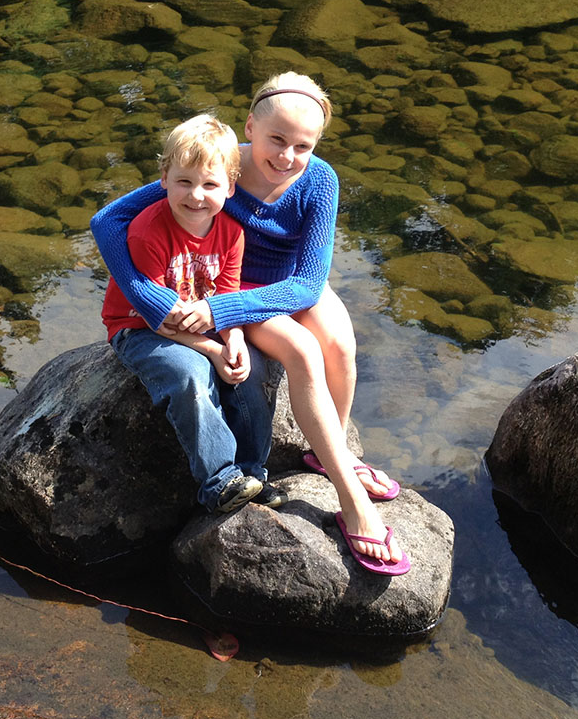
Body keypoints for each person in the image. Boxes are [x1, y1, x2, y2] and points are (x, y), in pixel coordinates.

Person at [91, 73, 409, 576]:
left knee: (341, 346)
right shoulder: (215, 166)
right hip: (232, 285)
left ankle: (332, 454)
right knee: (302, 352)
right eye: (276, 140)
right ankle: (353, 501)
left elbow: (307, 284)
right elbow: (107, 221)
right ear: (250, 129)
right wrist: (151, 297)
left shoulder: (320, 180)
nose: (286, 156)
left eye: (302, 146)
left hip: (281, 286)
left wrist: (220, 316)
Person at [100, 113, 284, 515]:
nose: (196, 196)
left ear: (230, 188)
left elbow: (227, 293)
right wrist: (213, 352)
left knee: (250, 371)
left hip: (206, 321)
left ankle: (254, 472)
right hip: (141, 328)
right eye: (184, 181)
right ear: (163, 177)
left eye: (210, 185)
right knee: (191, 375)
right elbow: (155, 314)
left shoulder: (231, 233)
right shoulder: (147, 231)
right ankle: (220, 480)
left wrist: (233, 340)